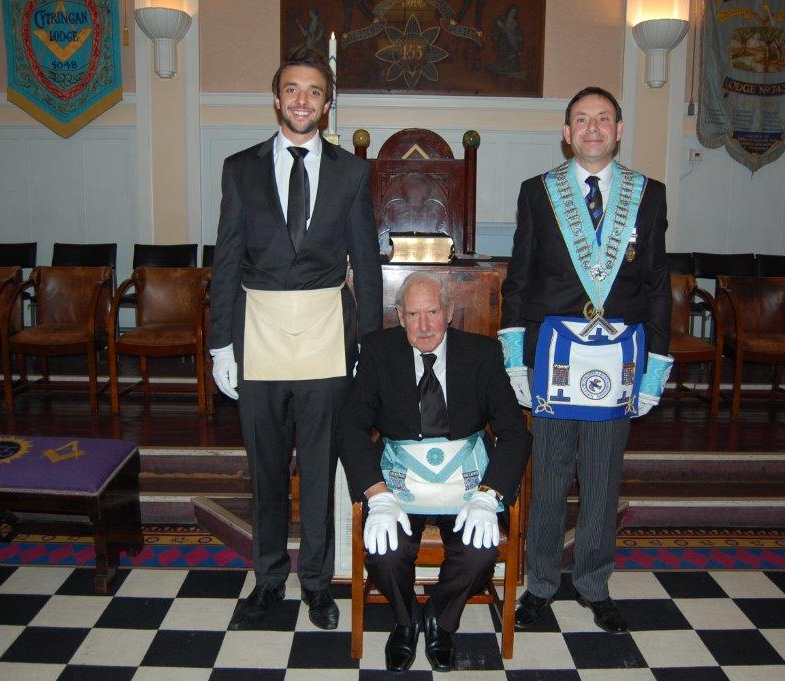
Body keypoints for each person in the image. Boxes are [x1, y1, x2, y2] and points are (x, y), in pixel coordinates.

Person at [209, 47, 382, 631]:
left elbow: (368, 265)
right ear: (276, 97)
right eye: (292, 90)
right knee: (265, 471)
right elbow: (226, 261)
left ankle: (315, 583)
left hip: (326, 337)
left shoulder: (353, 172)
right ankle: (267, 578)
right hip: (256, 335)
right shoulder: (239, 168)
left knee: (319, 467)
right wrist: (218, 346)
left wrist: (371, 349)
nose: (302, 100)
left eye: (314, 92)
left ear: (327, 104)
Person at [499, 86, 672, 634]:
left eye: (603, 119)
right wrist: (515, 360)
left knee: (602, 478)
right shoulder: (537, 191)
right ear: (567, 133)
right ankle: (542, 585)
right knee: (548, 476)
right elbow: (520, 282)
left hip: (619, 355)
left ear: (619, 131)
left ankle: (595, 585)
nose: (593, 128)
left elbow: (658, 285)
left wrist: (655, 368)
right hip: (554, 354)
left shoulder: (648, 194)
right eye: (582, 120)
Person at [339, 272, 530, 673]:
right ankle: (407, 621)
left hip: (467, 483)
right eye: (412, 314)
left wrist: (489, 495)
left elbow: (514, 432)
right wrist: (376, 495)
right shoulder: (377, 351)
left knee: (480, 553)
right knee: (385, 552)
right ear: (399, 315)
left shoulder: (482, 353)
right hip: (399, 482)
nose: (424, 326)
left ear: (449, 312)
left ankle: (440, 621)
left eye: (432, 313)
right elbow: (351, 426)